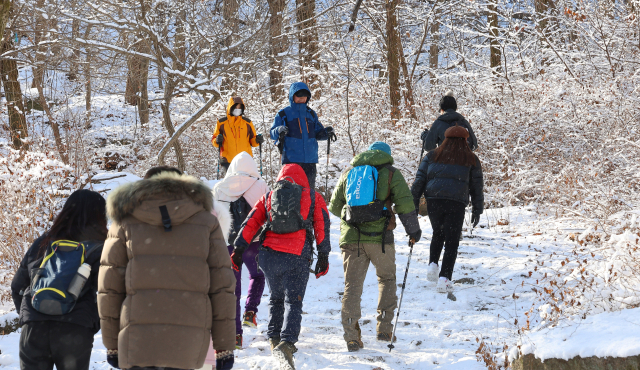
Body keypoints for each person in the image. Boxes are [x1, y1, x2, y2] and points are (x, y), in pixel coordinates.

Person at [98, 166, 236, 370]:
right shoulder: (207, 222)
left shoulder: (124, 222)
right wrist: (224, 346)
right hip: (189, 343)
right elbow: (222, 287)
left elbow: (109, 288)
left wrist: (112, 344)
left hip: (138, 341)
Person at [231, 163, 331, 370]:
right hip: (296, 255)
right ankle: (287, 343)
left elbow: (251, 222)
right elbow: (322, 224)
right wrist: (323, 255)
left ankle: (273, 337)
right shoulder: (312, 196)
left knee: (275, 298)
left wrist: (239, 249)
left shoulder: (269, 196)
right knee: (293, 301)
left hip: (269, 256)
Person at [328, 141, 422, 352]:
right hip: (381, 239)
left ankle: (351, 336)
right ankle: (384, 329)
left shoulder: (350, 172)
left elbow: (334, 207)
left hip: (352, 239)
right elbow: (406, 205)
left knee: (352, 287)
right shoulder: (391, 173)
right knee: (387, 279)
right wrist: (413, 231)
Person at [11, 189, 108, 370]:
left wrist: (29, 316)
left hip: (34, 328)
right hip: (75, 329)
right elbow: (107, 293)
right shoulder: (101, 249)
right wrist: (91, 323)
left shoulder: (43, 243)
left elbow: (17, 286)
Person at [411, 125, 484, 293]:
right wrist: (477, 209)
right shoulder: (471, 158)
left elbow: (419, 180)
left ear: (445, 139)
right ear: (465, 140)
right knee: (452, 241)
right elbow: (476, 187)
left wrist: (414, 203)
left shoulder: (432, 156)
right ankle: (444, 279)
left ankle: (433, 265)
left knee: (438, 233)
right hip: (456, 202)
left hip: (434, 201)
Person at [212, 151, 269, 349]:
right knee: (258, 275)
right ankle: (250, 312)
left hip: (229, 245)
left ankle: (235, 335)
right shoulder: (261, 185)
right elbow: (269, 213)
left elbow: (213, 218)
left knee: (232, 290)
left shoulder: (220, 187)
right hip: (253, 242)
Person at [269, 82, 335, 189]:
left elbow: (318, 133)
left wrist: (326, 133)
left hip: (310, 161)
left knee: (309, 193)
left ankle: (310, 206)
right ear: (292, 96)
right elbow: (272, 134)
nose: (301, 99)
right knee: (292, 193)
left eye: (304, 97)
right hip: (291, 161)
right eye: (299, 96)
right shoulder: (283, 114)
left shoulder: (311, 114)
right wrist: (279, 130)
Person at [212, 96, 264, 171]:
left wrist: (257, 140)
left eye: (240, 108)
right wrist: (217, 140)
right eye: (236, 107)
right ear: (230, 108)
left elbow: (253, 141)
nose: (238, 110)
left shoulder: (247, 123)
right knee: (231, 181)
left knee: (245, 182)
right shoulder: (221, 123)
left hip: (245, 159)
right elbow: (214, 140)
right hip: (227, 160)